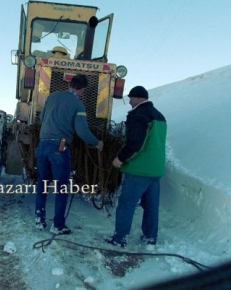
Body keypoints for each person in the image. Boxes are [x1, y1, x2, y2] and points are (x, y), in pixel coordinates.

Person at [35, 74, 104, 235]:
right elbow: (82, 132)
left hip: (42, 145)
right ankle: (58, 225)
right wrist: (97, 143)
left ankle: (39, 218)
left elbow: (42, 117)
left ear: (70, 84)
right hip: (59, 148)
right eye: (83, 91)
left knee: (42, 184)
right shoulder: (78, 105)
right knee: (61, 188)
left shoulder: (52, 97)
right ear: (81, 89)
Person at [105, 85, 167, 247]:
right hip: (156, 170)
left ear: (139, 98)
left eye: (131, 98)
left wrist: (120, 158)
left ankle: (119, 239)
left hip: (139, 169)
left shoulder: (138, 115)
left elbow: (135, 143)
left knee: (126, 204)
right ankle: (150, 237)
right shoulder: (159, 116)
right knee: (151, 206)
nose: (130, 101)